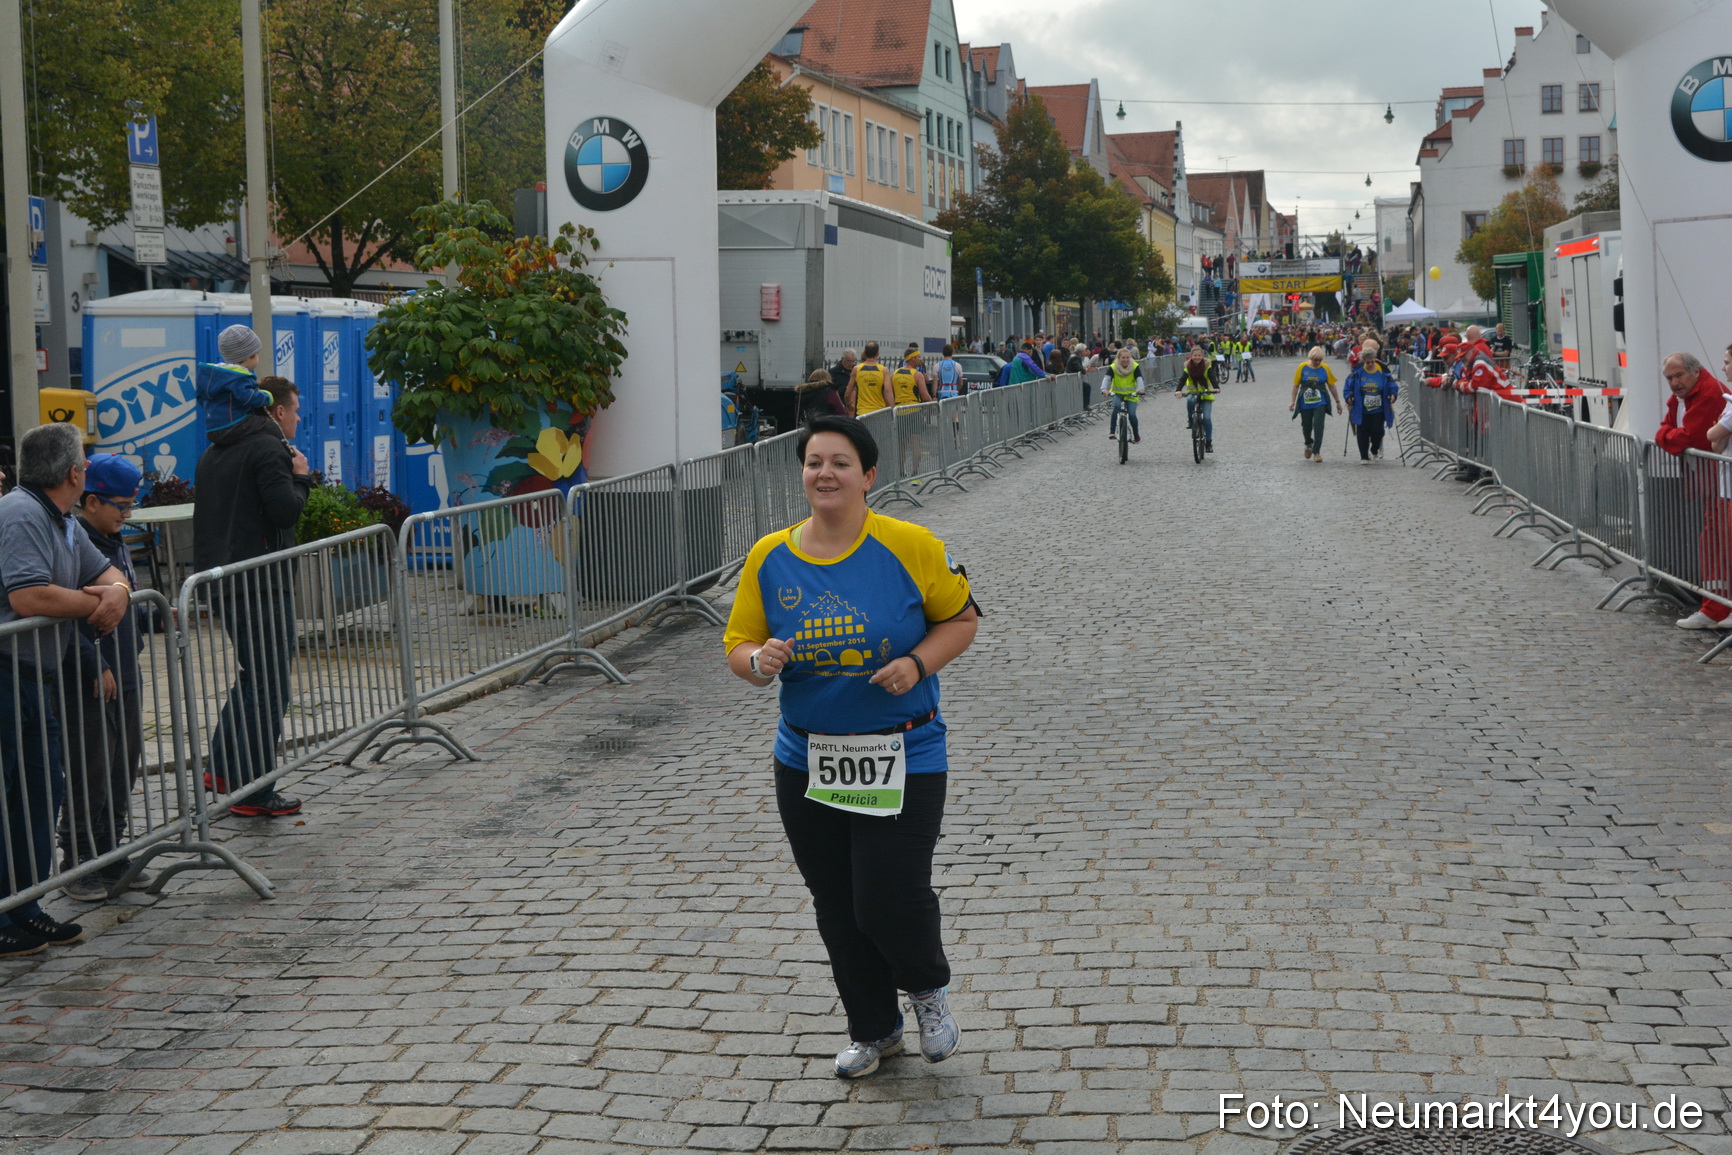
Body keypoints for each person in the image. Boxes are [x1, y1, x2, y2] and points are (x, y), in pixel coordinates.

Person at [723, 414, 979, 1080]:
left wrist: (917, 664)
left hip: (904, 750)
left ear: (869, 475)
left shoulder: (910, 544)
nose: (825, 473)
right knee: (836, 901)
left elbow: (961, 617)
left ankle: (925, 987)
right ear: (801, 472)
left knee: (886, 895)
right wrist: (760, 661)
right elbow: (738, 645)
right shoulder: (769, 556)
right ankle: (874, 1028)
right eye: (813, 462)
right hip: (807, 756)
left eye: (840, 462)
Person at [0, 424, 133, 957]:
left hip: (38, 675)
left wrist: (117, 595)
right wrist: (98, 605)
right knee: (18, 794)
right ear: (76, 473)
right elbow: (31, 597)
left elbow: (108, 575)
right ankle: (11, 910)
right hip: (9, 674)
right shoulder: (21, 512)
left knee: (42, 790)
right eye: (84, 462)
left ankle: (25, 906)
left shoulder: (63, 520)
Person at [193, 371, 313, 817]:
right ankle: (255, 790)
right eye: (296, 410)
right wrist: (301, 477)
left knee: (255, 677)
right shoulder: (268, 448)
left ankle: (223, 768)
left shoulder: (215, 449)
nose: (299, 419)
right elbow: (284, 511)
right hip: (259, 584)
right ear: (277, 411)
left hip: (226, 581)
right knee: (270, 688)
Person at [59, 454, 153, 903]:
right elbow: (63, 618)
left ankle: (111, 848)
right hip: (95, 672)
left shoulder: (114, 542)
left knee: (123, 762)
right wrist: (95, 664)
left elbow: (125, 596)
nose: (126, 515)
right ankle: (78, 856)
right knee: (92, 763)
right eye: (121, 506)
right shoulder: (76, 544)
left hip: (125, 668)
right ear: (91, 502)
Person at [1656, 352, 1732, 629]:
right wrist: (1669, 435)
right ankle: (1714, 608)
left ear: (1695, 372)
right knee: (1713, 544)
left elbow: (1694, 436)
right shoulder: (1690, 395)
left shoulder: (1712, 394)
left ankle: (1717, 608)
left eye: (1679, 376)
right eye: (1669, 378)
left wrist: (1665, 436)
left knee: (1722, 546)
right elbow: (1673, 428)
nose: (1674, 383)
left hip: (1720, 483)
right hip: (1713, 483)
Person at [1342, 340, 1399, 464]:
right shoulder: (1357, 372)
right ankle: (1364, 456)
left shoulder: (1382, 370)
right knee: (1362, 432)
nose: (1370, 364)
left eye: (1372, 361)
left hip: (1378, 408)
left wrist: (1392, 395)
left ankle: (1374, 449)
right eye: (1367, 362)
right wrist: (1349, 396)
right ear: (1363, 360)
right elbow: (1348, 386)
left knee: (1378, 431)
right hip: (1361, 408)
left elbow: (1392, 385)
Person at [1291, 347, 1343, 462]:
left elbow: (1331, 386)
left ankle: (1316, 451)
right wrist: (1292, 401)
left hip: (1320, 401)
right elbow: (1296, 385)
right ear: (1311, 358)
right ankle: (1309, 443)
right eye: (1315, 360)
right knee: (1306, 426)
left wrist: (1338, 402)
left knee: (1319, 426)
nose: (1318, 362)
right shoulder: (1302, 367)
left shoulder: (1325, 368)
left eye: (1320, 360)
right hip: (1305, 402)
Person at [891, 351, 932, 477]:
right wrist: (933, 404)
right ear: (912, 358)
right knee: (916, 444)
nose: (920, 359)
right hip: (914, 411)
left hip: (899, 412)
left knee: (901, 446)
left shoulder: (894, 374)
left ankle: (901, 472)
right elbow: (924, 396)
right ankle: (915, 472)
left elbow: (890, 393)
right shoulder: (917, 375)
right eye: (918, 357)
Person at [1178, 347, 1218, 453]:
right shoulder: (1188, 367)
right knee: (1190, 401)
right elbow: (1182, 379)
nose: (1197, 357)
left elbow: (1212, 376)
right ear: (1191, 356)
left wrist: (1216, 387)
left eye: (1199, 355)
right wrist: (1178, 390)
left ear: (1202, 356)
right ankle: (1191, 420)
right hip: (1193, 393)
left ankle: (1208, 442)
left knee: (1207, 419)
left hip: (1206, 394)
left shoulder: (1207, 366)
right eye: (1195, 355)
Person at [1101, 347, 1145, 444]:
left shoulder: (1135, 366)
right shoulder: (1113, 367)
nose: (1125, 360)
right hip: (1117, 394)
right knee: (1116, 408)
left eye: (1127, 357)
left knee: (1132, 414)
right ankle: (1112, 432)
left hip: (1131, 395)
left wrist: (1141, 389)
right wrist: (1104, 389)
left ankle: (1136, 434)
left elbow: (1139, 379)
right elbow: (1106, 378)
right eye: (1123, 358)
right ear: (1118, 358)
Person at [846, 343, 891, 416]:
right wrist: (891, 409)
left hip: (862, 413)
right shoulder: (883, 370)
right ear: (878, 354)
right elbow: (887, 391)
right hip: (879, 412)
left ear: (864, 353)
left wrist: (849, 405)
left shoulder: (857, 369)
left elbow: (847, 394)